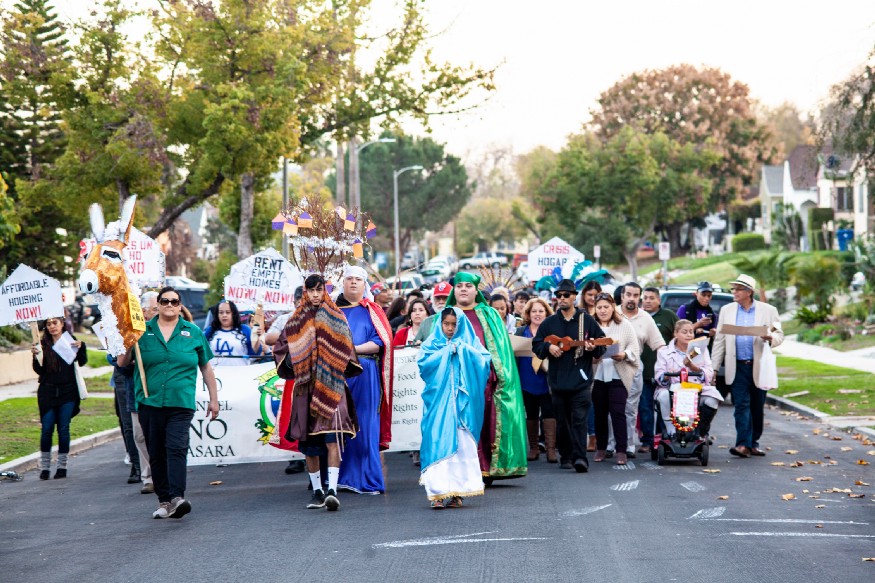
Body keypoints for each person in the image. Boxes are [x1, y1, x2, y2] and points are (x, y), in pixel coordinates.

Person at [118, 286, 219, 519]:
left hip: (180, 403)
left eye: (175, 301)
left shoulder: (192, 332)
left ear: (180, 305)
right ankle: (164, 501)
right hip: (149, 402)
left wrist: (214, 399)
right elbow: (123, 362)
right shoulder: (141, 331)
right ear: (159, 305)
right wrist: (125, 340)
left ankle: (177, 497)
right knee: (156, 451)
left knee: (176, 447)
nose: (170, 305)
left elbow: (206, 367)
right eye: (165, 301)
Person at [272, 274, 360, 511]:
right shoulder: (294, 321)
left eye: (319, 290)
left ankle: (332, 489)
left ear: (325, 291)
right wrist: (296, 359)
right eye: (310, 290)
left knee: (333, 438)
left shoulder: (337, 317)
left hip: (332, 386)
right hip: (305, 387)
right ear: (305, 292)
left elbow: (347, 347)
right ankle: (317, 492)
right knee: (309, 444)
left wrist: (333, 361)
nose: (314, 295)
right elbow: (280, 349)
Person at [447, 272, 528, 482]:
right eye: (459, 286)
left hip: (485, 380)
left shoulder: (489, 314)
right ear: (454, 290)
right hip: (455, 380)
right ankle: (460, 470)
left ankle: (485, 468)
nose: (463, 289)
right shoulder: (446, 315)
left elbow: (501, 350)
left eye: (468, 286)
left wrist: (499, 375)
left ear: (476, 291)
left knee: (484, 424)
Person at [418, 307, 492, 508]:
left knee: (461, 448)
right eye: (446, 324)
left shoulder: (470, 342)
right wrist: (445, 352)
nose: (450, 329)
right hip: (438, 406)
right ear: (440, 324)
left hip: (462, 410)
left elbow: (484, 360)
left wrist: (464, 351)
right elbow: (423, 364)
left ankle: (458, 493)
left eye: (454, 324)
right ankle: (437, 495)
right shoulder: (432, 343)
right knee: (436, 443)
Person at [532, 279, 606, 473]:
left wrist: (593, 347)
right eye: (559, 295)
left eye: (566, 295)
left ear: (574, 297)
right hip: (557, 382)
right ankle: (566, 456)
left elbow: (601, 346)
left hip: (581, 381)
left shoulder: (586, 320)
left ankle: (580, 458)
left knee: (579, 420)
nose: (562, 298)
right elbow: (537, 345)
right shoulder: (549, 322)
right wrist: (549, 347)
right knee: (562, 422)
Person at [711, 274, 784, 458]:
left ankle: (753, 443)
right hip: (737, 366)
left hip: (759, 366)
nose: (734, 292)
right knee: (741, 405)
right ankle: (742, 443)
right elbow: (719, 341)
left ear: (749, 292)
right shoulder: (727, 310)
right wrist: (712, 368)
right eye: (733, 289)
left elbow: (779, 334)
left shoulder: (768, 310)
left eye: (737, 289)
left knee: (757, 406)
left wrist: (771, 338)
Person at [335, 266, 394, 494]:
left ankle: (368, 480)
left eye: (357, 279)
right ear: (343, 283)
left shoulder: (373, 310)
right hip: (338, 374)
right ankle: (339, 477)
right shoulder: (333, 311)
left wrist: (352, 349)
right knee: (340, 426)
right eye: (349, 279)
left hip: (365, 373)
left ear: (364, 284)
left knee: (365, 424)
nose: (352, 283)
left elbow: (382, 342)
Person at [31, 316, 87, 480]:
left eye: (55, 323)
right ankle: (45, 467)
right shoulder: (41, 344)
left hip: (68, 392)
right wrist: (35, 356)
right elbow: (39, 371)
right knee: (47, 429)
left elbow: (82, 361)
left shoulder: (70, 341)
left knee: (63, 428)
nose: (52, 326)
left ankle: (62, 466)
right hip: (47, 393)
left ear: (62, 324)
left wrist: (81, 347)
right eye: (48, 324)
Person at [614, 282, 665, 458]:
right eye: (628, 294)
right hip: (609, 366)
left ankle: (628, 445)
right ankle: (609, 444)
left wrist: (670, 365)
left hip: (634, 366)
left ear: (639, 297)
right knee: (610, 407)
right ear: (622, 295)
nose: (631, 298)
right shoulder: (611, 312)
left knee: (630, 408)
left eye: (636, 295)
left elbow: (659, 345)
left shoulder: (645, 318)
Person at [591, 293, 639, 465]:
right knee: (599, 413)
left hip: (618, 374)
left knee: (618, 412)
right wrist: (592, 355)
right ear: (595, 309)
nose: (603, 310)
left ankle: (621, 450)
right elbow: (583, 348)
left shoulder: (624, 324)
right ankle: (601, 448)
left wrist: (624, 354)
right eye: (599, 307)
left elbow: (634, 348)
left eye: (606, 306)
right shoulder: (591, 325)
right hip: (598, 375)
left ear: (613, 307)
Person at [263, 285, 306, 476]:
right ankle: (296, 458)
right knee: (293, 414)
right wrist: (293, 331)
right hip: (294, 373)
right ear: (295, 302)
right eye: (301, 301)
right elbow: (269, 337)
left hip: (316, 374)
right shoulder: (285, 318)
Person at [654, 319, 722, 439]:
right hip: (672, 390)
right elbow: (659, 374)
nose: (689, 335)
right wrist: (668, 375)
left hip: (696, 389)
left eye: (691, 331)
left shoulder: (701, 349)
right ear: (676, 333)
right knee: (663, 396)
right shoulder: (664, 352)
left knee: (712, 399)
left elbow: (709, 373)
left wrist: (692, 367)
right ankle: (671, 430)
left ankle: (700, 432)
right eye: (685, 332)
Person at [514, 298, 557, 462]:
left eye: (541, 311)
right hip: (526, 378)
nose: (537, 314)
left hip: (546, 379)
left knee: (549, 413)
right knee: (531, 413)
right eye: (534, 311)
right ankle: (533, 448)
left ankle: (551, 449)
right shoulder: (520, 331)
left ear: (546, 313)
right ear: (528, 314)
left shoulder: (552, 331)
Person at [638, 287, 678, 454]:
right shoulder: (639, 317)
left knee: (664, 406)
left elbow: (680, 336)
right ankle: (647, 441)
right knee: (645, 408)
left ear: (659, 300)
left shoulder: (668, 316)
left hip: (665, 374)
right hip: (644, 372)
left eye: (651, 298)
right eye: (645, 297)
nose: (647, 300)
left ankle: (663, 439)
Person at [204, 300, 262, 366]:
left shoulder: (245, 329)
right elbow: (202, 353)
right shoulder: (210, 331)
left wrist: (256, 338)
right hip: (216, 374)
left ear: (233, 314)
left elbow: (254, 354)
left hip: (240, 373)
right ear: (217, 315)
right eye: (221, 312)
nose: (224, 315)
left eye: (228, 312)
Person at [580, 279, 602, 452]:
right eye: (589, 295)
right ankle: (590, 436)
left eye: (596, 295)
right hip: (584, 363)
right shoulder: (579, 314)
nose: (593, 298)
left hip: (603, 361)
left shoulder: (604, 312)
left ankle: (597, 436)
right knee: (588, 400)